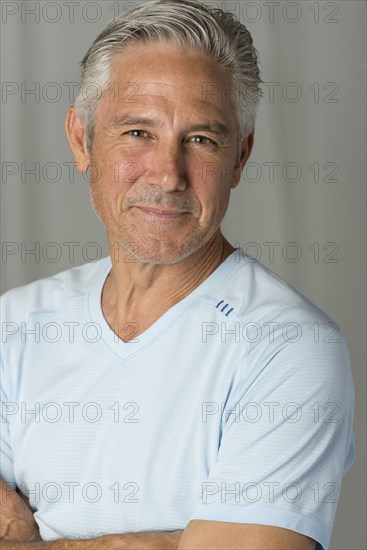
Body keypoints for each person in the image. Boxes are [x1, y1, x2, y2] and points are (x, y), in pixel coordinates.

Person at [0, 0, 355, 548]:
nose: (168, 175)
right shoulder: (16, 321)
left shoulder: (289, 346)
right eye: (138, 133)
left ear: (240, 158)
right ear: (81, 140)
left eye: (201, 140)